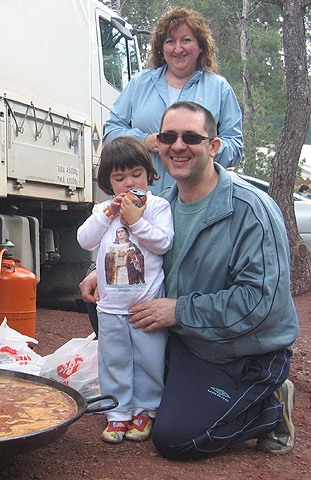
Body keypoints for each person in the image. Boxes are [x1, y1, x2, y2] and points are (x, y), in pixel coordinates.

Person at [81, 101, 299, 459]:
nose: (178, 145)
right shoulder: (160, 203)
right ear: (159, 146)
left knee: (177, 438)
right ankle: (142, 401)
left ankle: (268, 406)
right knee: (109, 305)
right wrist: (96, 274)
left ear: (213, 147)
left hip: (240, 350)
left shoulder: (250, 210)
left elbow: (262, 303)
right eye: (169, 137)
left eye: (191, 137)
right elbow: (139, 253)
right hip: (188, 339)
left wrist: (179, 310)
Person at [77, 136, 174, 444]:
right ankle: (118, 413)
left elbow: (163, 242)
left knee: (149, 361)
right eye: (120, 178)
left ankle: (146, 410)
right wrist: (108, 214)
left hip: (146, 306)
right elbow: (85, 240)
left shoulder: (158, 206)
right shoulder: (104, 211)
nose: (129, 183)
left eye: (136, 175)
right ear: (108, 181)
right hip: (110, 307)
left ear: (149, 174)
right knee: (114, 360)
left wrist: (136, 221)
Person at [103, 7, 243, 194]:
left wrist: (199, 146)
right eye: (170, 41)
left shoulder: (219, 88)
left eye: (186, 40)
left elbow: (235, 146)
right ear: (161, 48)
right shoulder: (140, 83)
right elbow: (110, 133)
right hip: (144, 202)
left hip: (198, 199)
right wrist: (143, 140)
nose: (178, 49)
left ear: (201, 46)